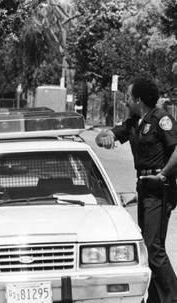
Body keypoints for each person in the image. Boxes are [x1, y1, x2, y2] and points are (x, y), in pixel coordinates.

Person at [96, 76, 177, 303]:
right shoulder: (134, 123)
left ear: (138, 99)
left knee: (153, 246)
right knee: (148, 245)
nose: (125, 101)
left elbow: (176, 151)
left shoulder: (162, 119)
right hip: (143, 188)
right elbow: (102, 137)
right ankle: (156, 299)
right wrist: (106, 137)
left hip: (160, 188)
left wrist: (162, 175)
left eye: (128, 97)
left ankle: (171, 297)